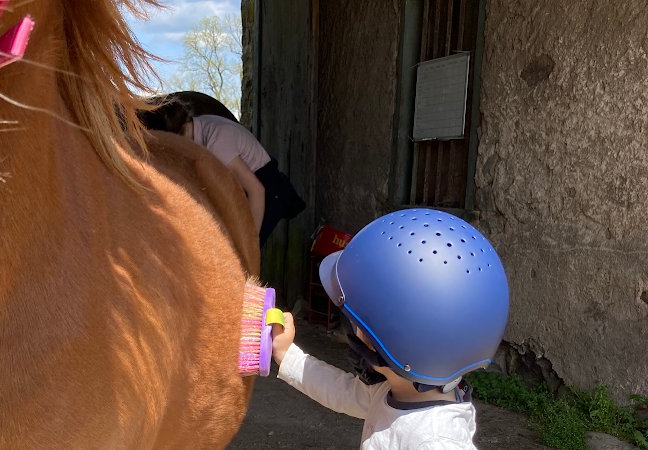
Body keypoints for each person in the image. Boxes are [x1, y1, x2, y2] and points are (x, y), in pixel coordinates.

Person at [271, 208, 510, 449]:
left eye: (355, 324)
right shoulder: (395, 390)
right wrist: (287, 355)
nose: (352, 331)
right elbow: (341, 391)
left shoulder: (436, 441)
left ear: (391, 341)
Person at [139, 95, 305, 247]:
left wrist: (250, 242)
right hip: (247, 186)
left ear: (178, 133)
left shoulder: (216, 143)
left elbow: (257, 190)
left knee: (244, 259)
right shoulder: (200, 124)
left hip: (267, 189)